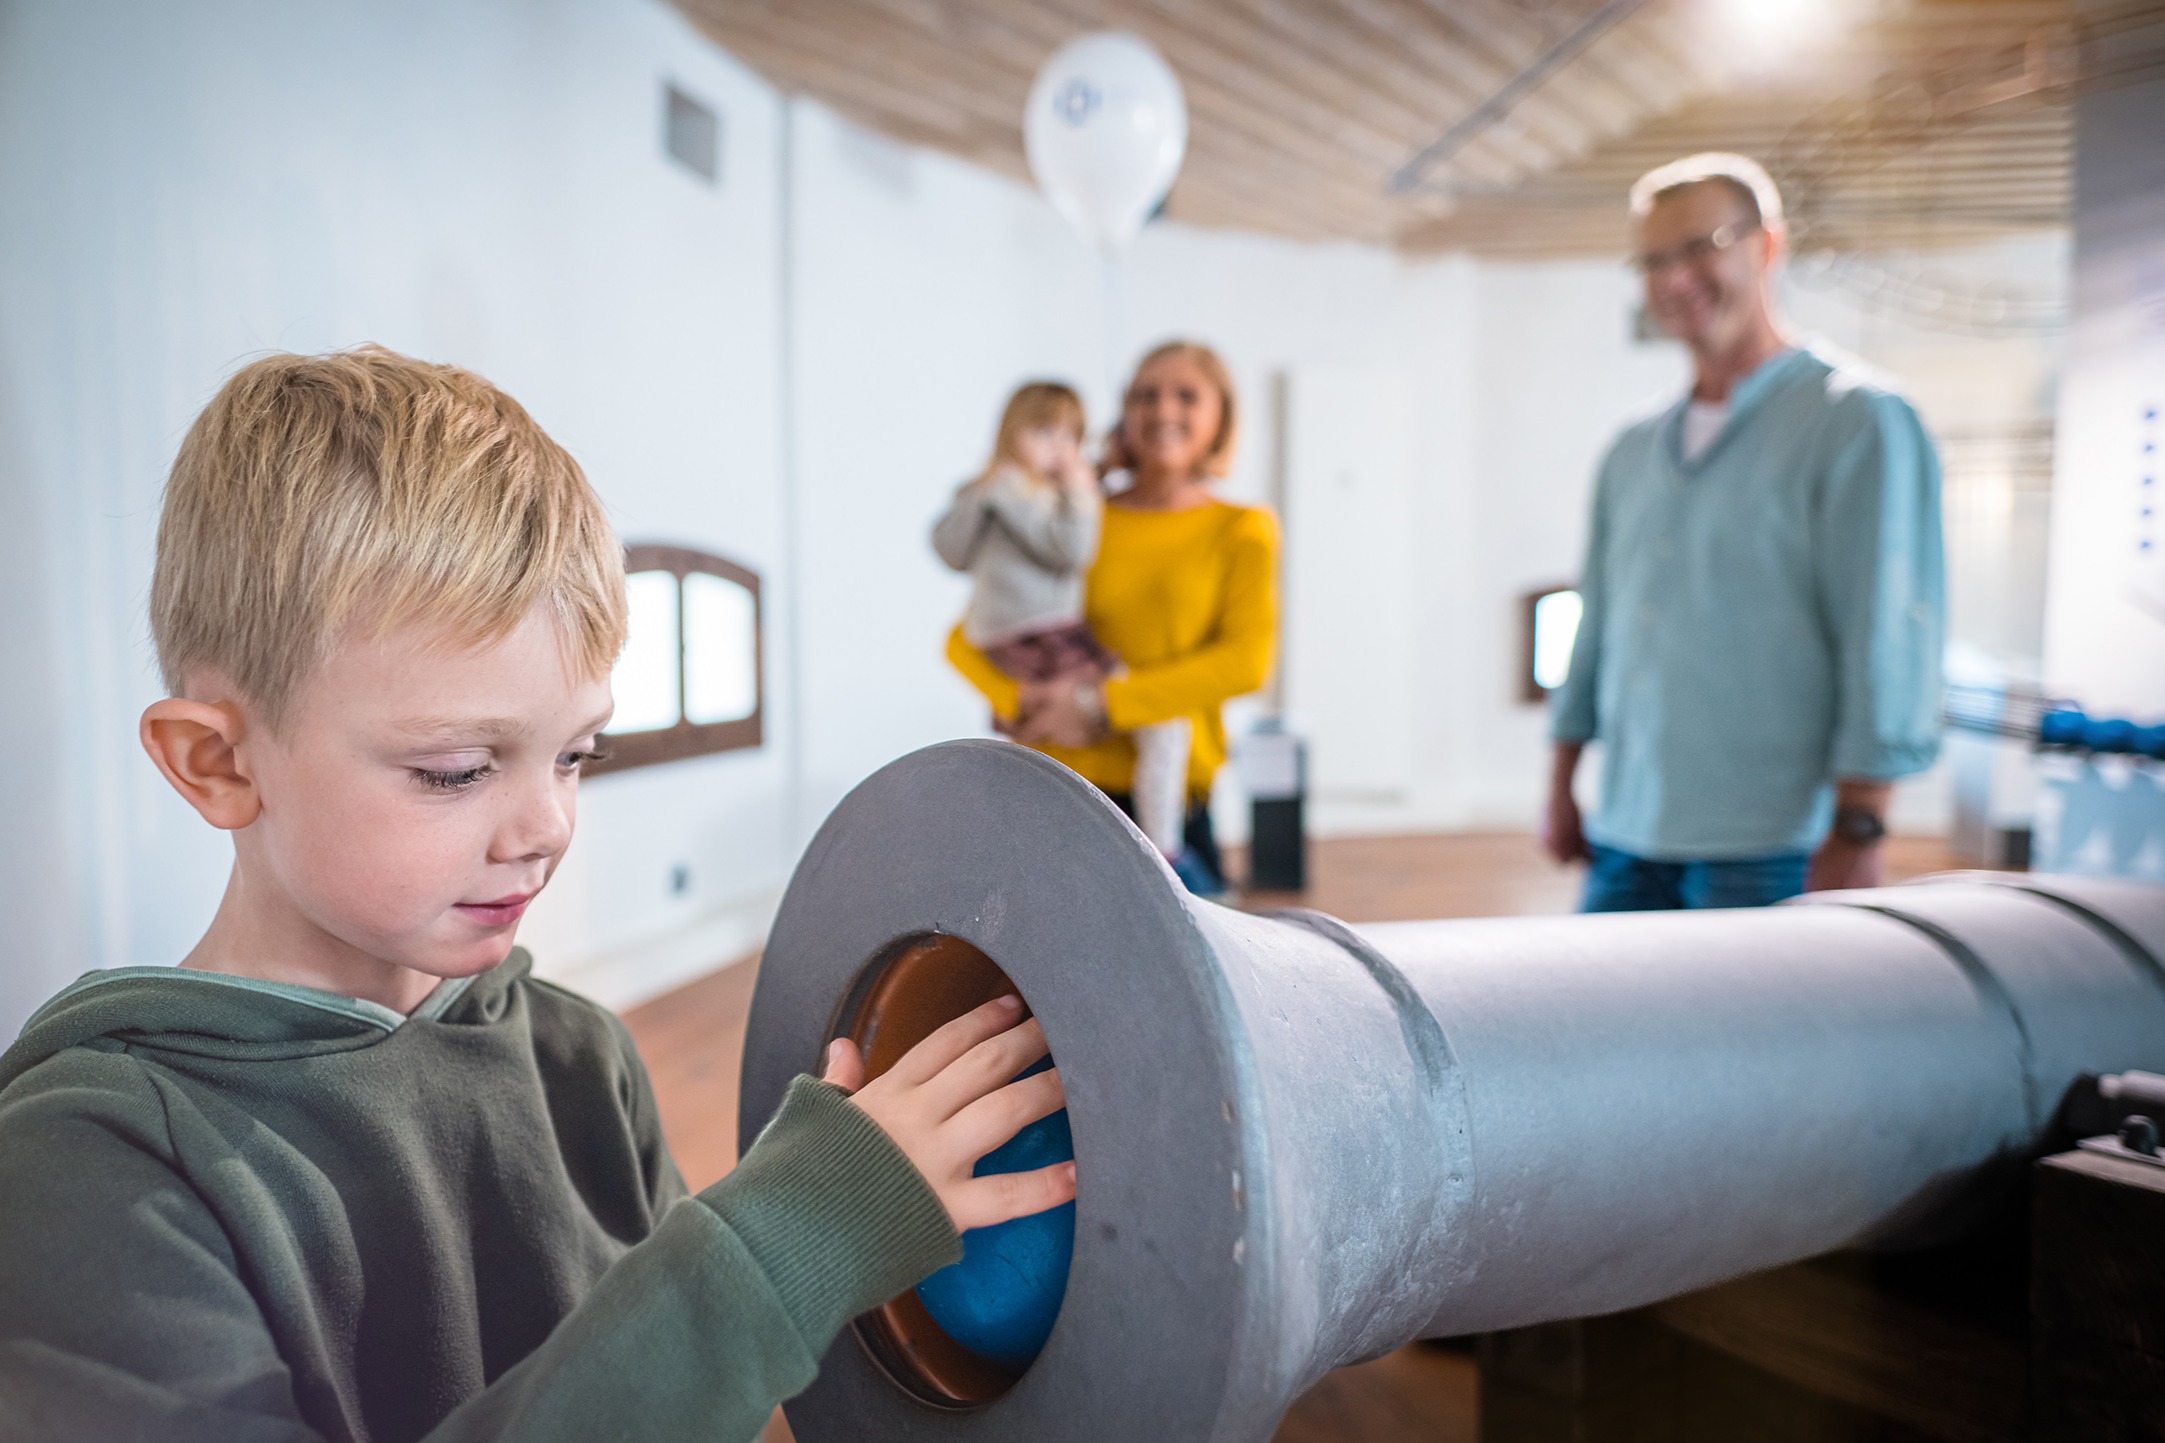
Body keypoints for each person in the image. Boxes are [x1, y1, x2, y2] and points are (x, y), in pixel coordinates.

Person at [0, 347, 1075, 1442]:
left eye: (577, 755)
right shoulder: (86, 1170)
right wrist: (774, 1250)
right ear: (219, 765)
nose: (548, 826)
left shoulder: (582, 1060)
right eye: (456, 770)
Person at [1543, 153, 1944, 911]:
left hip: (1773, 845)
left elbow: (1884, 630)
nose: (1673, 278)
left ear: (1767, 244)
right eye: (1653, 258)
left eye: (1700, 246)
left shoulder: (1856, 420)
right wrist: (1561, 782)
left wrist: (1861, 825)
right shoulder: (1632, 446)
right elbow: (1596, 621)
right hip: (1626, 834)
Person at [946, 341, 1279, 897]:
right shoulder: (1074, 518)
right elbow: (964, 638)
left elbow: (1245, 665)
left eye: (1186, 396)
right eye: (1145, 396)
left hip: (1170, 807)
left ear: (1220, 417)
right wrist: (1023, 703)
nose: (1163, 411)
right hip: (1059, 790)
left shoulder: (1243, 528)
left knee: (1186, 984)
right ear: (1125, 412)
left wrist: (1100, 706)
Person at [932, 381, 1193, 864]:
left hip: (1049, 634)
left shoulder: (1046, 494)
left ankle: (1151, 847)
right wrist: (994, 491)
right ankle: (1164, 852)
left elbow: (1069, 549)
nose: (1061, 449)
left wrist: (1043, 489)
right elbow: (951, 549)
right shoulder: (1007, 492)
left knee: (1091, 728)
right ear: (1012, 432)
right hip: (1033, 636)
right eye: (1045, 433)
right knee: (1148, 726)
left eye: (1072, 438)